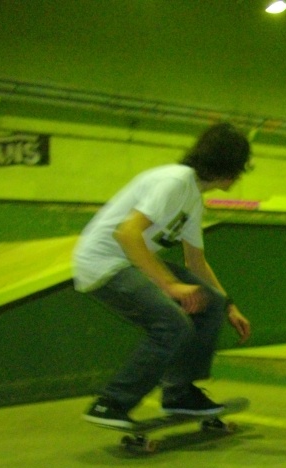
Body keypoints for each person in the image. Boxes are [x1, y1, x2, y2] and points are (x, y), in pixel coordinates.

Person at [73, 122, 252, 428]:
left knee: (209, 302)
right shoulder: (174, 182)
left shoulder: (193, 196)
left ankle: (179, 393)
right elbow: (128, 233)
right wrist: (169, 285)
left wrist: (228, 304)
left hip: (128, 260)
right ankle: (110, 402)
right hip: (104, 263)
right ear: (228, 168)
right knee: (172, 324)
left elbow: (196, 261)